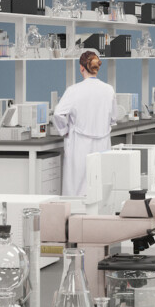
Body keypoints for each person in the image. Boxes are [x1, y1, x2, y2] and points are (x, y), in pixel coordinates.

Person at [52, 50, 120, 198]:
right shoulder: (108, 89)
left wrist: (64, 130)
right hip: (102, 144)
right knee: (100, 184)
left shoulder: (74, 90)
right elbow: (114, 117)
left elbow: (58, 113)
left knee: (77, 187)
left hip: (79, 145)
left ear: (81, 67)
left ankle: (75, 218)